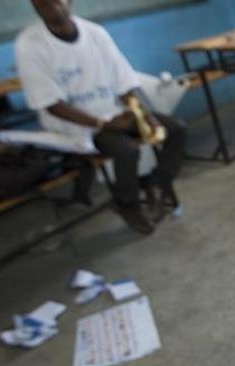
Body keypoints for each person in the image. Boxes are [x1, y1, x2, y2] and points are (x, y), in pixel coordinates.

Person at [15, 0, 186, 234]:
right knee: (126, 150)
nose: (49, 3)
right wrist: (101, 123)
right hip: (74, 126)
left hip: (111, 113)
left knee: (174, 128)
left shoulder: (95, 33)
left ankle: (158, 182)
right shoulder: (29, 44)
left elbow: (125, 82)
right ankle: (127, 204)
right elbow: (51, 104)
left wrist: (145, 115)